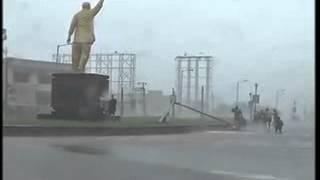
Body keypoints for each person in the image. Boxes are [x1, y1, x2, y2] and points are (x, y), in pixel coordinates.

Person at [67, 0, 105, 72]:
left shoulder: (77, 15)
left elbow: (72, 26)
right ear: (89, 7)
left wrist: (69, 36)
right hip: (86, 40)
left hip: (76, 40)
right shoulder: (90, 13)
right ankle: (81, 67)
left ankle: (74, 71)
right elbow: (98, 6)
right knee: (84, 55)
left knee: (75, 58)